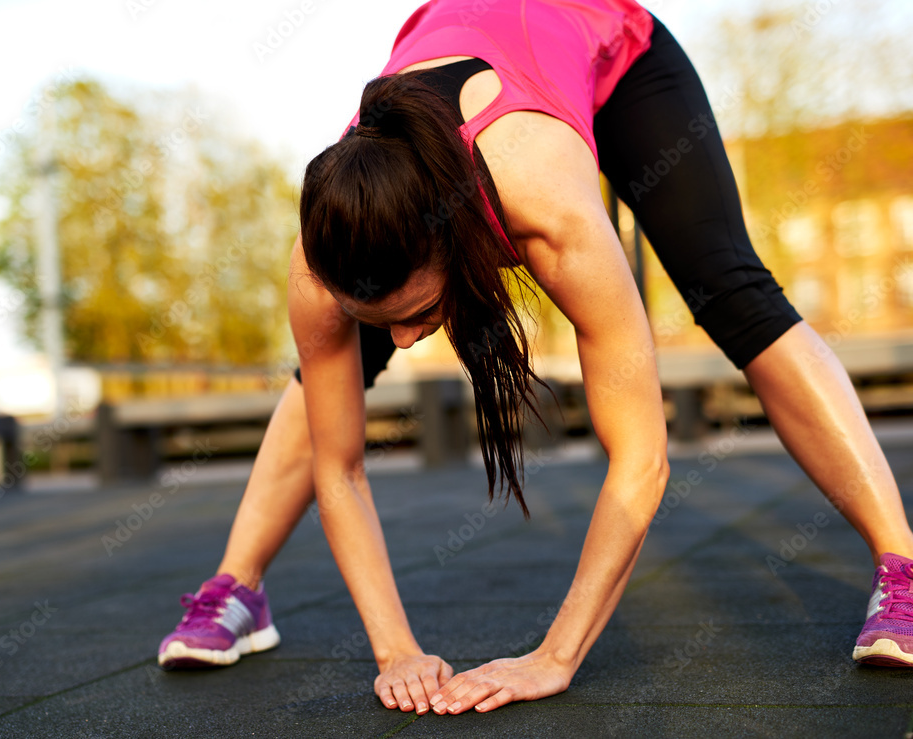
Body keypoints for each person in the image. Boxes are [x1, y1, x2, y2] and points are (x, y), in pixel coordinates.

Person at [157, 0, 913, 715]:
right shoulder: (318, 263)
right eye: (380, 319)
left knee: (728, 286)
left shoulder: (549, 215)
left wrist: (555, 655)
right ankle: (237, 586)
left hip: (610, 52)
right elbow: (339, 463)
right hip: (465, 67)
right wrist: (395, 652)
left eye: (419, 314)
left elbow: (642, 458)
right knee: (339, 363)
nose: (408, 339)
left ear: (462, 242)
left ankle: (903, 564)